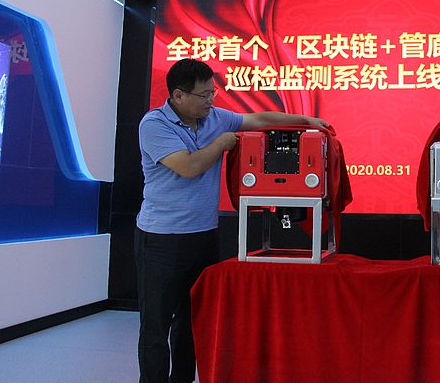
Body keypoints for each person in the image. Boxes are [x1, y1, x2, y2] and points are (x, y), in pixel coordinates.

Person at [135, 58, 330, 383]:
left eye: (213, 92)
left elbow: (258, 119)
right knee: (157, 325)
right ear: (178, 95)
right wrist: (221, 143)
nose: (211, 100)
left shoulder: (214, 117)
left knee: (192, 319)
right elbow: (188, 167)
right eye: (204, 95)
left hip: (203, 235)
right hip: (161, 239)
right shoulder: (155, 124)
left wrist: (306, 120)